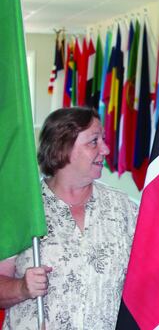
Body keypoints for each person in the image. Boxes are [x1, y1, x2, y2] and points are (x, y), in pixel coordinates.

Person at [0, 107, 138, 329]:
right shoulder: (24, 209)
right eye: (94, 141)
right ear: (62, 147)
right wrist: (21, 288)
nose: (106, 149)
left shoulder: (125, 209)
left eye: (103, 139)